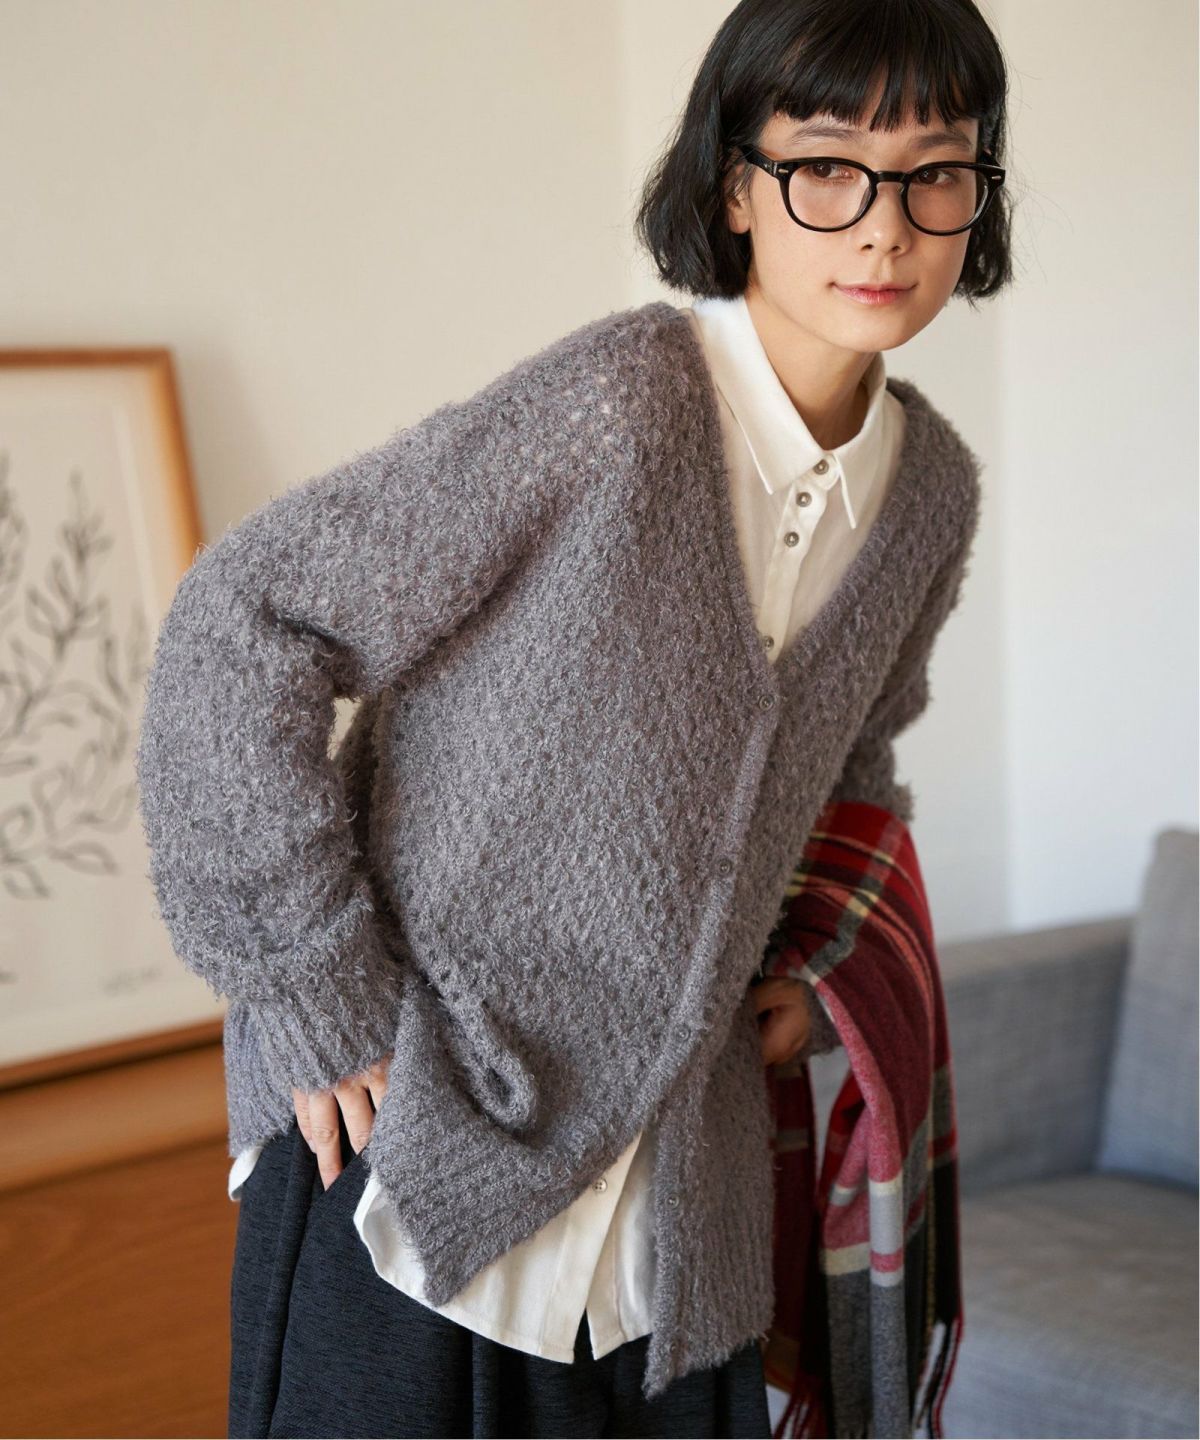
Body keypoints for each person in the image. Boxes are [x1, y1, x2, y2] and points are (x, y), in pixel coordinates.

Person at [134, 1, 1013, 1436]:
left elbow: (850, 761)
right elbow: (249, 620)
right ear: (735, 187)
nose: (884, 226)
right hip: (409, 1142)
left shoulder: (931, 496)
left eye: (936, 173)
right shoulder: (620, 406)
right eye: (826, 166)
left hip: (679, 1215)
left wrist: (815, 969)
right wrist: (311, 989)